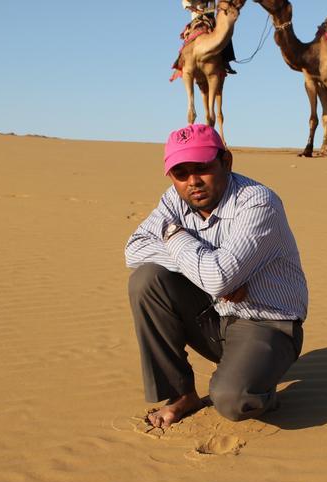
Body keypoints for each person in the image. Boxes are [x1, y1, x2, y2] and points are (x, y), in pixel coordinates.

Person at [125, 124, 308, 428]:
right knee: (146, 280)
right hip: (213, 313)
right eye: (180, 173)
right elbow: (134, 250)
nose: (192, 181)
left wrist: (173, 236)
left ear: (226, 161)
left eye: (202, 168)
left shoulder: (258, 202)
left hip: (267, 323)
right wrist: (208, 270)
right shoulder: (174, 199)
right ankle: (181, 395)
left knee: (232, 400)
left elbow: (219, 277)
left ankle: (261, 391)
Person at [181, 0, 237, 74]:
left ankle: (226, 60)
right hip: (198, 18)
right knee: (191, 37)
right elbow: (185, 2)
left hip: (212, 19)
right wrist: (197, 10)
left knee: (225, 34)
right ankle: (187, 62)